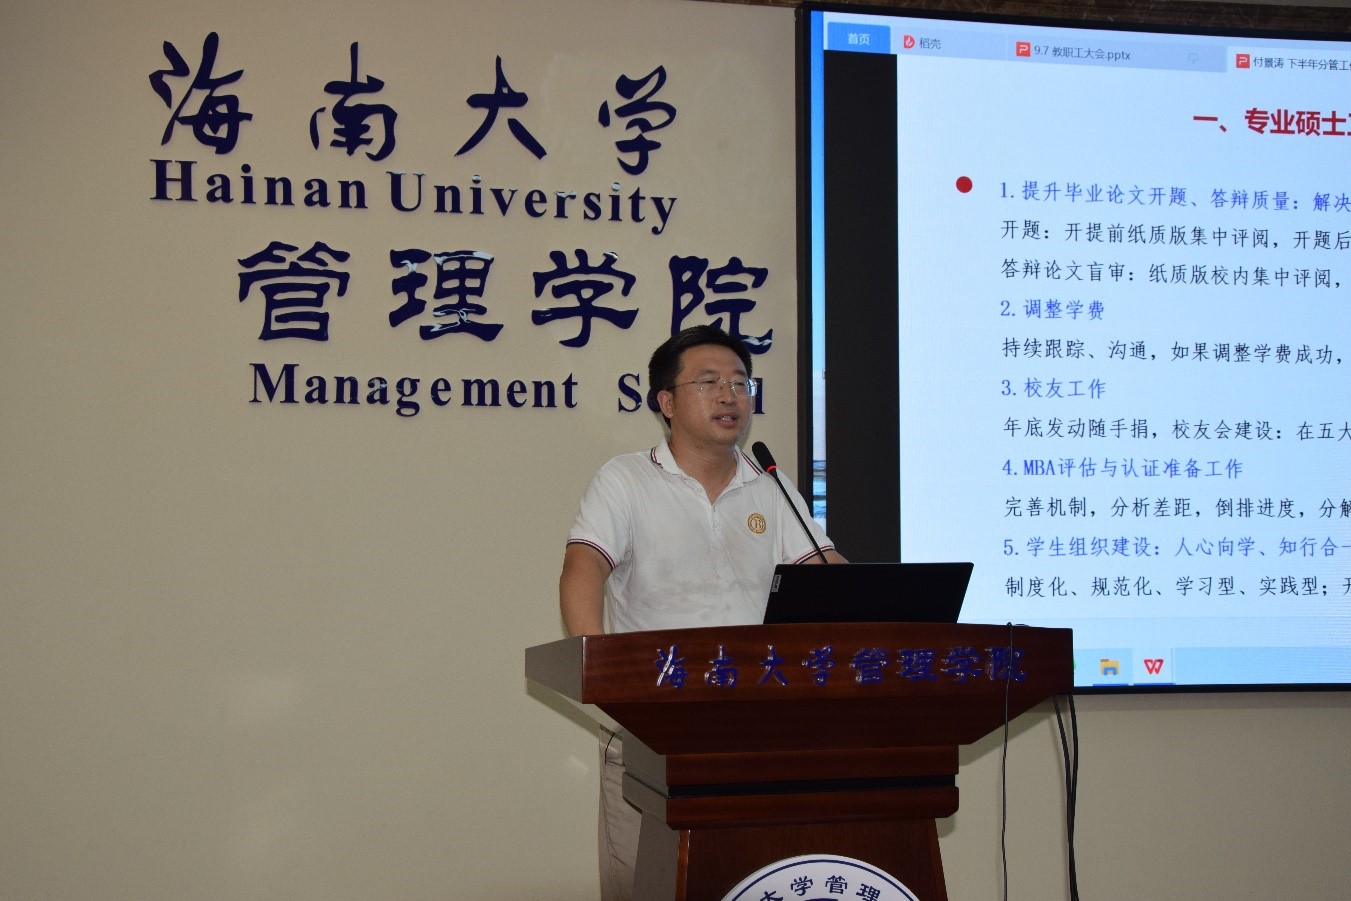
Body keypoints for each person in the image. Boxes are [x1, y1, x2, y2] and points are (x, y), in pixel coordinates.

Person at [558, 325, 844, 900]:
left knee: (751, 882)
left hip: (757, 728)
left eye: (740, 383)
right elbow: (583, 569)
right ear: (666, 402)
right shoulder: (627, 479)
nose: (729, 396)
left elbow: (828, 575)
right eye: (708, 382)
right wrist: (604, 675)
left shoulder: (771, 486)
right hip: (653, 727)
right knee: (646, 886)